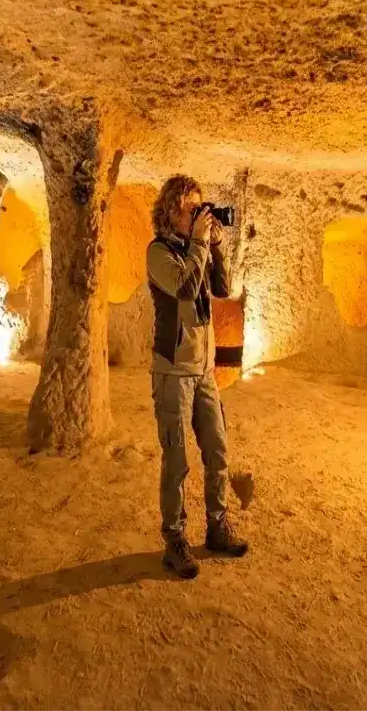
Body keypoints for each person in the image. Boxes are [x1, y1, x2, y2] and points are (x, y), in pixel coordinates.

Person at [146, 174, 249, 579]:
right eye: (192, 209)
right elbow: (186, 290)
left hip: (204, 372)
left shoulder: (198, 249)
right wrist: (201, 244)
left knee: (218, 451)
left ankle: (218, 528)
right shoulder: (159, 253)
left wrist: (217, 246)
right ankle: (174, 541)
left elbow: (221, 289)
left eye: (200, 208)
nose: (199, 216)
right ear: (172, 211)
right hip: (173, 372)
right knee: (177, 461)